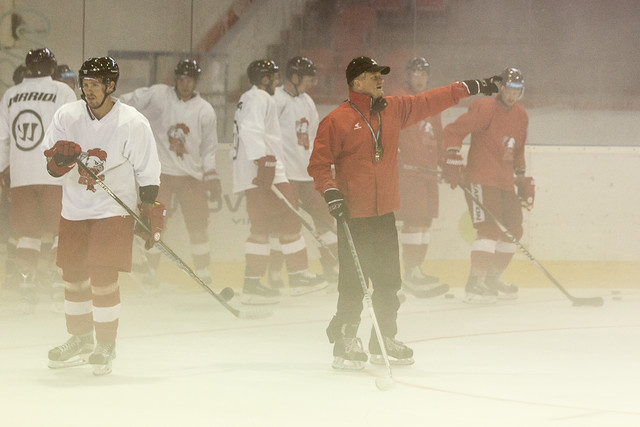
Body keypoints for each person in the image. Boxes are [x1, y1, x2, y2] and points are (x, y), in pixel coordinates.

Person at [308, 56, 500, 369]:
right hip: (353, 216)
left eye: (381, 75)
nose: (381, 80)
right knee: (354, 283)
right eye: (374, 76)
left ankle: (384, 338)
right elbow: (318, 164)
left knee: (389, 282)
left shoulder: (394, 110)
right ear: (357, 82)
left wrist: (470, 87)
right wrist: (331, 192)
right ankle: (345, 339)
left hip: (385, 214)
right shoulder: (336, 120)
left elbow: (430, 100)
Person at [44, 57, 162, 376]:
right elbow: (52, 167)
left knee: (103, 276)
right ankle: (80, 338)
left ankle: (106, 343)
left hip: (113, 211)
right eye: (85, 84)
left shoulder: (132, 122)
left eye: (95, 84)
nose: (88, 90)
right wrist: (61, 161)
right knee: (73, 276)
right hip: (74, 210)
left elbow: (148, 172)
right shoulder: (67, 116)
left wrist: (149, 210)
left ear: (111, 86)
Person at [232, 59, 326, 304]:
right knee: (290, 219)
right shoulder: (259, 98)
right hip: (266, 170)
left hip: (253, 173)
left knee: (261, 229)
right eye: (273, 77)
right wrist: (262, 160)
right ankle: (298, 275)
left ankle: (251, 286)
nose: (277, 80)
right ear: (264, 79)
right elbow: (250, 130)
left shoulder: (250, 98)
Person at [120, 59, 220, 288]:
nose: (185, 84)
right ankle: (148, 274)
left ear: (196, 82)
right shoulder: (159, 96)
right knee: (154, 224)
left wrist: (211, 173)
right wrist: (109, 105)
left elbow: (208, 148)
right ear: (176, 79)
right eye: (182, 79)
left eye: (190, 80)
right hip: (161, 174)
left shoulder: (205, 110)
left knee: (198, 225)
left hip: (190, 177)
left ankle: (204, 273)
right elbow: (129, 101)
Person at [441, 67, 533, 304]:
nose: (512, 95)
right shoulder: (485, 108)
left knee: (515, 230)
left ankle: (492, 278)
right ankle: (475, 280)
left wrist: (521, 178)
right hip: (480, 178)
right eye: (509, 89)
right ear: (501, 88)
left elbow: (518, 150)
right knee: (489, 229)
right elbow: (453, 131)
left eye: (517, 91)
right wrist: (452, 154)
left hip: (504, 182)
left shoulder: (522, 116)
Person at [0, 48, 77, 313]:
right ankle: (57, 282)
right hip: (54, 173)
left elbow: (2, 139)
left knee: (27, 233)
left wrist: (2, 170)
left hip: (21, 175)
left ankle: (26, 283)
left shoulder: (10, 95)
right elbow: (74, 130)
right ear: (52, 68)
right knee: (59, 231)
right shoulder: (63, 91)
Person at [270, 56, 338, 288]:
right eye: (308, 79)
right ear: (295, 77)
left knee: (326, 220)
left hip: (308, 174)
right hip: (285, 174)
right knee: (287, 223)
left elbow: (316, 137)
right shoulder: (275, 100)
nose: (311, 84)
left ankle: (332, 269)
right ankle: (281, 273)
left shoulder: (307, 101)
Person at [394, 57, 450, 298]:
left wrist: (446, 162)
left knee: (425, 222)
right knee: (414, 221)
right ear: (408, 76)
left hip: (428, 173)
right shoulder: (398, 99)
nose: (419, 77)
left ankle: (418, 268)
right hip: (409, 173)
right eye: (415, 73)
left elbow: (438, 137)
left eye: (423, 74)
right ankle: (411, 272)